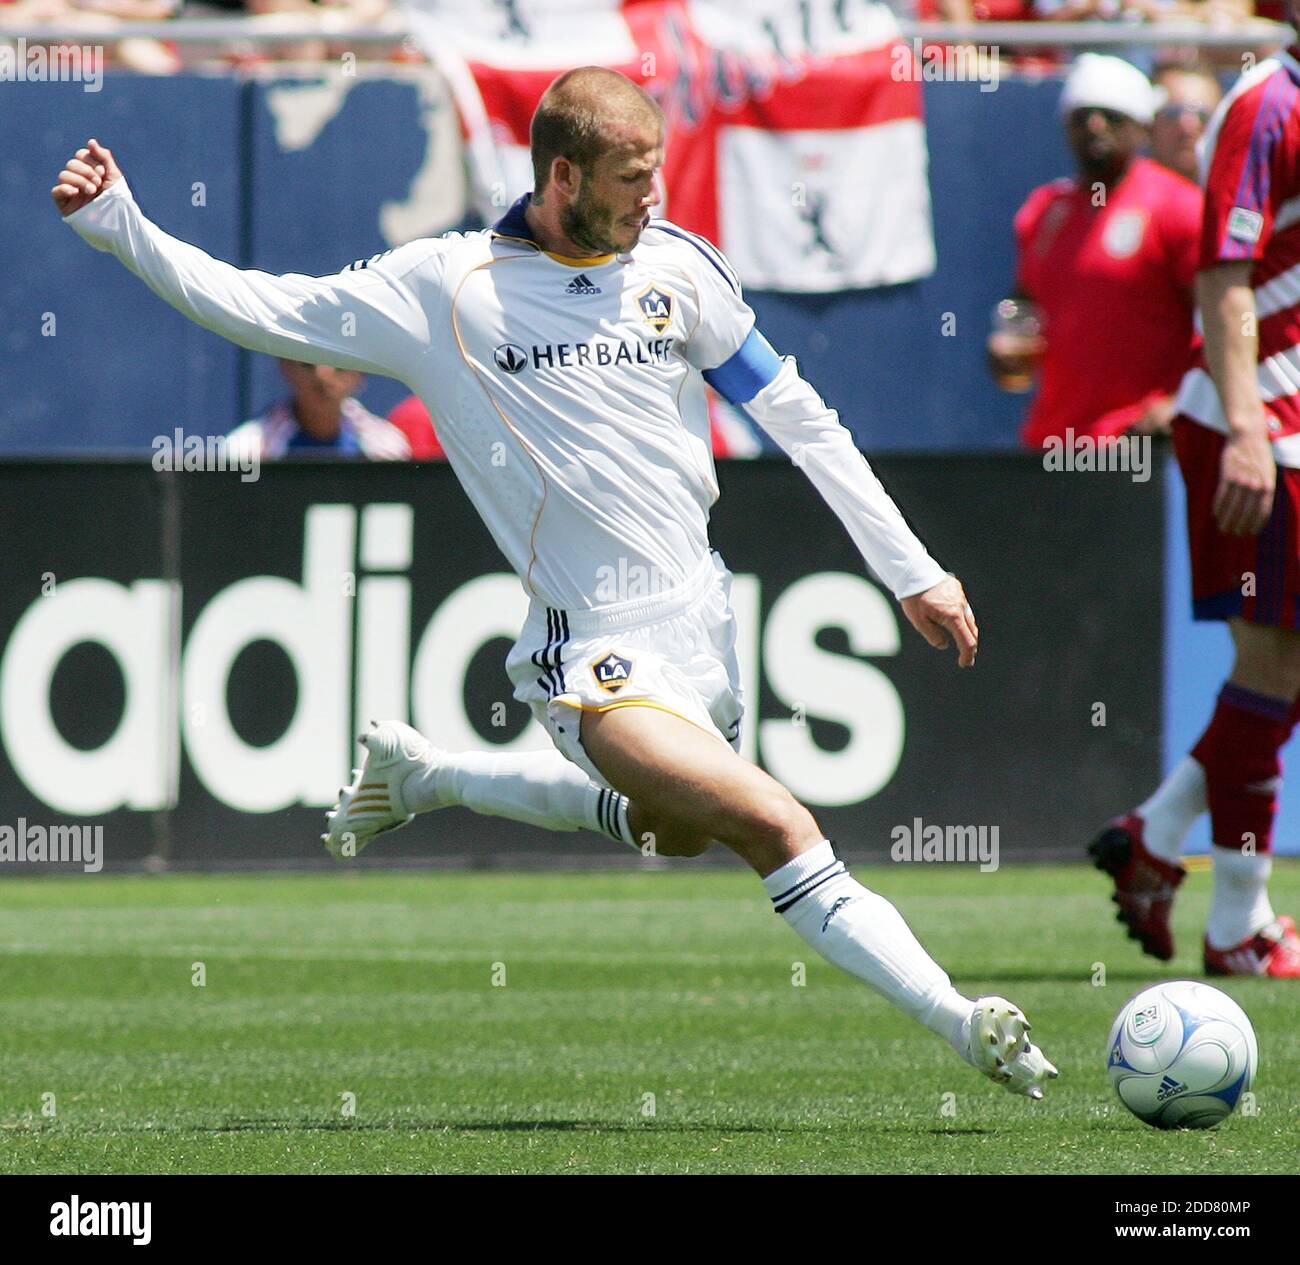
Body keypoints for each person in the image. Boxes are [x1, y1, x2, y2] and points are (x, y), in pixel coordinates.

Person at [54, 69, 1057, 1097]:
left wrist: (912, 569)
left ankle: (429, 777)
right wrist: (123, 226)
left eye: (657, 171)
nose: (650, 195)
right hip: (588, 652)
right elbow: (264, 308)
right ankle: (961, 1017)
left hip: (702, 631)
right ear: (563, 172)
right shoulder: (445, 287)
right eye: (630, 176)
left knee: (674, 832)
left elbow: (801, 419)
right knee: (776, 826)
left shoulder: (679, 267)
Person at [1090, 35, 1300, 978]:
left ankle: (1157, 832)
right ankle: (1239, 924)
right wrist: (1251, 430)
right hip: (1258, 418)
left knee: (1282, 664)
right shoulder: (1267, 103)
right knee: (1273, 660)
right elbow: (1223, 278)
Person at [991, 54, 1201, 445]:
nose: (1095, 126)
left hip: (1139, 445)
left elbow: (1219, 320)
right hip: (1051, 443)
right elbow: (1025, 307)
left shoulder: (1179, 206)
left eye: (1112, 115)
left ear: (1142, 127)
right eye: (1081, 115)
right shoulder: (1043, 210)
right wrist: (1007, 345)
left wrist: (1181, 402)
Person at [227, 358, 410, 460]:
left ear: (361, 373)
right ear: (286, 366)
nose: (323, 376)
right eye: (308, 363)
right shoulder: (243, 449)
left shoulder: (389, 445)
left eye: (340, 365)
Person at [1150, 60, 1223, 185]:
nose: (1188, 126)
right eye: (1173, 112)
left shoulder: (1239, 197)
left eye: (1202, 115)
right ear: (1148, 125)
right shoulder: (1124, 197)